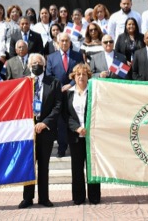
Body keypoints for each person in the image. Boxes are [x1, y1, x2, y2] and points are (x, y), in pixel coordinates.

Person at [20, 53, 61, 209]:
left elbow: (57, 106)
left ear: (44, 65)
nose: (36, 65)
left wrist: (45, 123)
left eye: (39, 62)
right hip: (27, 130)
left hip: (46, 130)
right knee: (28, 165)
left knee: (44, 165)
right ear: (29, 65)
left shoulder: (54, 82)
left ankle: (44, 198)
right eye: (34, 63)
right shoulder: (23, 82)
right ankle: (27, 198)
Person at [65, 63, 101, 205]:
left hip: (91, 137)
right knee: (77, 168)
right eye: (78, 74)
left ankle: (94, 196)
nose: (81, 77)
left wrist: (88, 127)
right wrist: (77, 128)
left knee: (92, 168)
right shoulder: (68, 93)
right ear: (73, 77)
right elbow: (66, 115)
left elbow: (99, 111)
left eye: (84, 74)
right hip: (75, 137)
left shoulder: (94, 92)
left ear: (88, 77)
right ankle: (78, 197)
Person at [46, 32, 84, 157]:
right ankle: (62, 148)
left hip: (75, 92)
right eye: (62, 41)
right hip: (58, 93)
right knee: (61, 121)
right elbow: (49, 75)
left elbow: (81, 73)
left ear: (70, 42)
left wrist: (71, 84)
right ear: (58, 42)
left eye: (66, 40)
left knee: (74, 118)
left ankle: (74, 146)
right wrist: (59, 87)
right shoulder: (51, 57)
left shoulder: (77, 56)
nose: (64, 43)